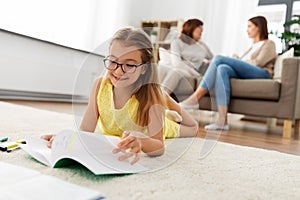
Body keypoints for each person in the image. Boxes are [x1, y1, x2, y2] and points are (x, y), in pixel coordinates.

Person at [42, 27, 198, 164]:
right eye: (113, 61)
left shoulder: (151, 97)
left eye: (129, 65)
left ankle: (166, 104)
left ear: (144, 68)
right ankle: (165, 104)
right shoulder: (99, 86)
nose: (118, 71)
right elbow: (85, 131)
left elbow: (159, 147)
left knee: (192, 128)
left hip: (158, 122)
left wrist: (142, 142)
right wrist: (65, 138)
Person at [180, 16, 277, 131]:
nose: (247, 30)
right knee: (222, 69)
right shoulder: (252, 47)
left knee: (219, 59)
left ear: (259, 27)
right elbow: (246, 62)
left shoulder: (269, 44)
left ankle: (195, 98)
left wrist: (238, 62)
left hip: (262, 73)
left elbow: (258, 62)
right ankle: (222, 121)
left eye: (250, 26)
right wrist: (237, 59)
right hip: (249, 71)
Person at [159, 18, 213, 96]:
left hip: (190, 72)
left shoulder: (202, 46)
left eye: (202, 27)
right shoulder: (176, 42)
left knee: (176, 72)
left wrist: (207, 64)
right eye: (199, 27)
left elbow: (213, 58)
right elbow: (176, 63)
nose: (202, 29)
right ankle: (146, 99)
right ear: (191, 28)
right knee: (161, 67)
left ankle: (159, 100)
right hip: (179, 67)